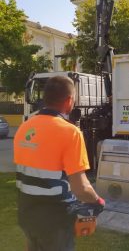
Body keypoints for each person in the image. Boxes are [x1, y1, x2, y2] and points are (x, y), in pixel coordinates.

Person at [14, 76, 105, 251]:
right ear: (69, 100)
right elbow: (80, 187)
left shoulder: (25, 127)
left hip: (26, 213)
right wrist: (97, 201)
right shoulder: (70, 132)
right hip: (55, 220)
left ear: (45, 98)